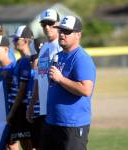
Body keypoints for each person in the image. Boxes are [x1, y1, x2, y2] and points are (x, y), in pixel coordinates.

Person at [41, 16, 96, 150]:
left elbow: (86, 90)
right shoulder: (58, 56)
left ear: (78, 35)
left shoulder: (81, 58)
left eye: (67, 31)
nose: (62, 34)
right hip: (52, 122)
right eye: (61, 31)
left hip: (72, 125)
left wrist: (60, 79)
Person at [27, 8, 62, 128]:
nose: (47, 27)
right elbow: (39, 77)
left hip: (57, 108)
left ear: (58, 24)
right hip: (43, 108)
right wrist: (32, 105)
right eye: (44, 24)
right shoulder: (44, 48)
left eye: (51, 23)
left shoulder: (62, 47)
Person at [6, 25, 34, 150]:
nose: (14, 42)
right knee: (20, 142)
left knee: (28, 144)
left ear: (26, 41)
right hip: (18, 108)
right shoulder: (19, 61)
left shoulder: (28, 61)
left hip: (22, 108)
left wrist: (11, 113)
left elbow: (22, 91)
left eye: (16, 39)